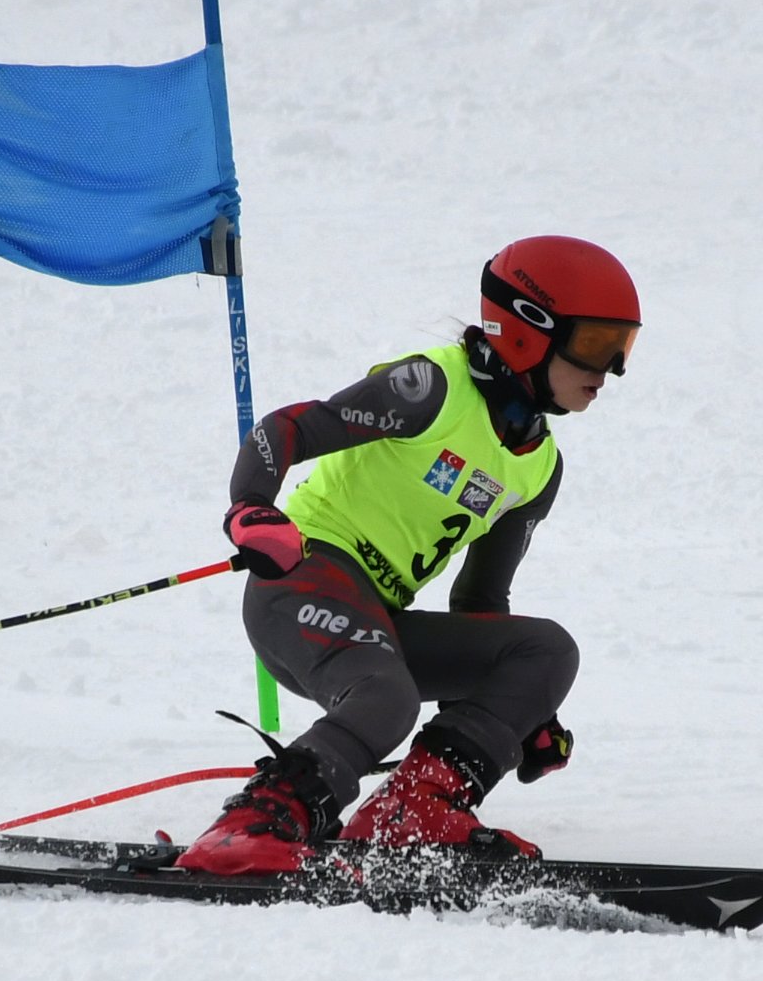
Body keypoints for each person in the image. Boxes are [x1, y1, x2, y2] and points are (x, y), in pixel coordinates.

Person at [174, 236, 640, 876]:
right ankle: (250, 826)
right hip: (302, 581)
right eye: (595, 343)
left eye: (623, 347)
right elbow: (286, 429)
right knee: (388, 697)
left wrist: (520, 707)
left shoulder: (539, 469)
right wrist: (250, 508)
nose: (610, 369)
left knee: (546, 653)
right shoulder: (432, 389)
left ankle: (412, 812)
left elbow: (480, 601)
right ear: (528, 329)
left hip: (377, 622)